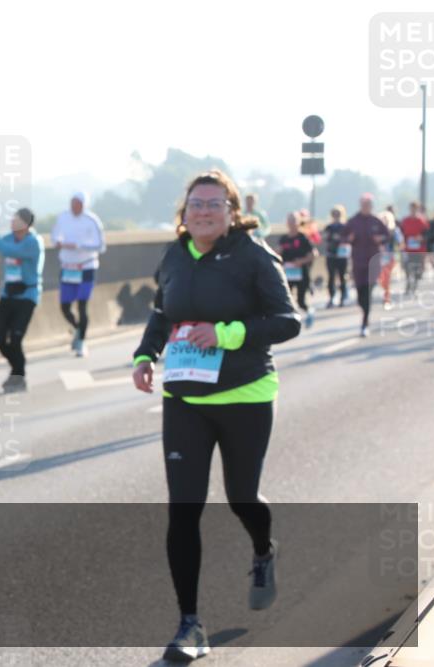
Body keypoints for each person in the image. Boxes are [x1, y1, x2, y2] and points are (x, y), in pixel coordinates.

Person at [131, 169, 301, 663]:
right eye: (195, 204)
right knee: (183, 509)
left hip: (245, 393)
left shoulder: (253, 256)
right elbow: (161, 312)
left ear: (231, 212)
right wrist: (145, 355)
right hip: (185, 397)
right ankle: (190, 624)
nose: (203, 212)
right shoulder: (174, 255)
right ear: (184, 213)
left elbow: (287, 321)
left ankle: (264, 549)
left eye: (213, 204)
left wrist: (225, 334)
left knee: (242, 497)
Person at [0, 209, 44, 393]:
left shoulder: (33, 242)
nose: (12, 222)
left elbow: (9, 251)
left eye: (16, 220)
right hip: (8, 295)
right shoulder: (8, 238)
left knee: (15, 339)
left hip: (27, 296)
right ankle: (17, 370)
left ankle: (18, 375)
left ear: (26, 224)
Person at [51, 192, 105, 357]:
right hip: (68, 267)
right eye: (72, 203)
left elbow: (101, 246)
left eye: (77, 203)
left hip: (86, 267)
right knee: (65, 306)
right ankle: (77, 329)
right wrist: (59, 243)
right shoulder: (63, 217)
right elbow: (54, 238)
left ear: (83, 204)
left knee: (82, 305)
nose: (74, 206)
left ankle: (81, 342)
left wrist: (78, 245)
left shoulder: (92, 220)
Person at [343, 194, 390, 337]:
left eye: (368, 205)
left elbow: (387, 235)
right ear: (360, 205)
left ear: (371, 206)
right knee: (360, 296)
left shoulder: (376, 221)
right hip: (358, 262)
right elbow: (342, 237)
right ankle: (364, 313)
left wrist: (380, 238)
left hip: (373, 262)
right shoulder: (353, 221)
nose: (366, 207)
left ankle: (365, 322)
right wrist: (349, 239)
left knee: (368, 293)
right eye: (364, 204)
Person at [278, 212, 317, 328]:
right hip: (288, 273)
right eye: (289, 221)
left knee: (301, 301)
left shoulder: (303, 238)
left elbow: (313, 255)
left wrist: (301, 261)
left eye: (294, 221)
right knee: (286, 299)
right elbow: (277, 254)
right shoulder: (284, 239)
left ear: (298, 222)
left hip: (301, 273)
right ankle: (291, 321)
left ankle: (309, 312)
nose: (291, 223)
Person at [399, 201, 429, 297]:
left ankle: (414, 287)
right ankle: (408, 287)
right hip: (408, 250)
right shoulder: (405, 221)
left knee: (416, 270)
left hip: (419, 250)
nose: (413, 210)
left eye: (415, 208)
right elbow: (401, 233)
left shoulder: (422, 221)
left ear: (417, 209)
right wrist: (402, 243)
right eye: (412, 208)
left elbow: (427, 234)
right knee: (407, 269)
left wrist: (421, 237)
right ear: (409, 209)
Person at [323, 205, 350, 308]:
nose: (336, 216)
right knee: (331, 277)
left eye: (338, 214)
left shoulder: (345, 227)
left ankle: (343, 297)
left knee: (342, 276)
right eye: (334, 214)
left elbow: (349, 238)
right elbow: (325, 238)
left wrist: (340, 239)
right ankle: (331, 297)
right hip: (331, 254)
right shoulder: (329, 227)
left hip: (342, 255)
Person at [377, 210, 401, 310]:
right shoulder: (376, 230)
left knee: (386, 278)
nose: (384, 221)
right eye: (382, 219)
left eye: (386, 219)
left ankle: (387, 298)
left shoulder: (394, 230)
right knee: (381, 279)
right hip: (378, 257)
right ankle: (386, 294)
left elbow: (400, 242)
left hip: (390, 257)